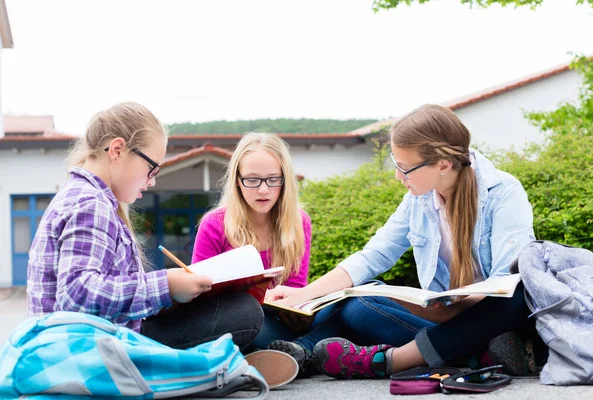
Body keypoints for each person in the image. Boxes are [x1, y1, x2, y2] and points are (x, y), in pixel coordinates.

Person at [26, 103, 296, 388]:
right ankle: (202, 373)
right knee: (243, 313)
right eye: (151, 168)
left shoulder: (87, 198)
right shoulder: (89, 205)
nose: (151, 181)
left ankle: (202, 370)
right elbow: (77, 295)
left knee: (234, 308)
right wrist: (164, 285)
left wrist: (167, 294)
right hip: (83, 355)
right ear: (117, 150)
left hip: (88, 345)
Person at [266, 104, 538, 379]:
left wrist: (455, 308)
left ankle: (390, 360)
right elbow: (372, 256)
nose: (398, 176)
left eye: (405, 168)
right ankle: (476, 354)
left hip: (488, 315)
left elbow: (505, 282)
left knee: (517, 297)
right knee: (359, 303)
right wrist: (303, 295)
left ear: (443, 164)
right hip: (444, 320)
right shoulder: (418, 200)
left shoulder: (504, 193)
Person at [191, 132, 314, 351]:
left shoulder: (299, 222)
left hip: (282, 320)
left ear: (284, 180)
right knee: (250, 319)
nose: (263, 189)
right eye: (252, 180)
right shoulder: (214, 224)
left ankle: (297, 351)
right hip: (237, 322)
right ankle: (302, 349)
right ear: (238, 181)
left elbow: (296, 287)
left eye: (273, 179)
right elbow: (199, 296)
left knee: (345, 311)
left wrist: (294, 304)